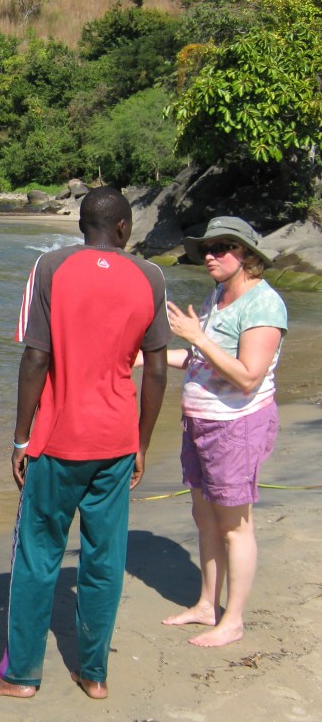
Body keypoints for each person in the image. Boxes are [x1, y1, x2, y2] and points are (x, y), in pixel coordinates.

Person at [0, 186, 169, 700]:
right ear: (123, 228)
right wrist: (141, 443)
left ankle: (20, 675)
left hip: (57, 441)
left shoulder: (51, 267)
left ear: (80, 225)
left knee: (37, 555)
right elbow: (157, 370)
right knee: (104, 558)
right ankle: (94, 673)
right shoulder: (151, 277)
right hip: (116, 441)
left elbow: (35, 357)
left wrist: (20, 438)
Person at [157, 216, 286, 647]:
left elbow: (248, 376)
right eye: (207, 249)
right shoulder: (218, 295)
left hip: (236, 426)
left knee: (235, 526)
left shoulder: (263, 304)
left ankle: (233, 620)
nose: (210, 256)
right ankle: (206, 605)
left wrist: (197, 336)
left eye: (221, 248)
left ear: (246, 254)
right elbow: (201, 360)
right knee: (205, 517)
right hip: (200, 422)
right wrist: (147, 357)